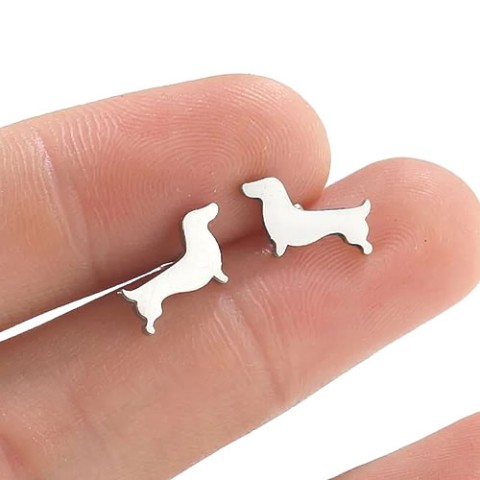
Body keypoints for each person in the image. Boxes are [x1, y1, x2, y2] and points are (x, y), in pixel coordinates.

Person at [0, 75, 478, 479]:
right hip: (214, 264)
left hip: (251, 250)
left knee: (320, 230)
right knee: (172, 285)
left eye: (259, 191)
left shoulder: (264, 219)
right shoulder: (229, 230)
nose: (250, 193)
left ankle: (355, 229)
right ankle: (150, 302)